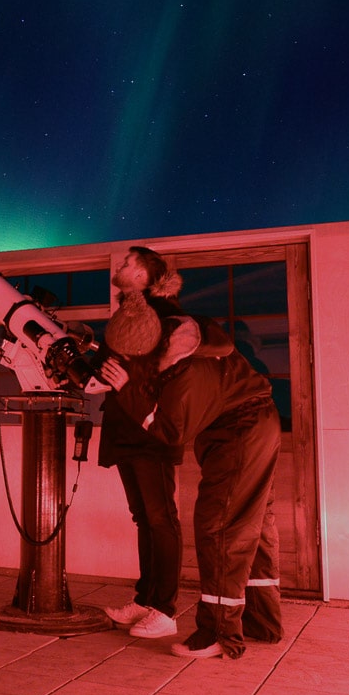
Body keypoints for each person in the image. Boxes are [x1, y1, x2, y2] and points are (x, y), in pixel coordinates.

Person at [99, 299, 283, 659]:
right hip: (253, 427)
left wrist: (127, 389)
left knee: (220, 528)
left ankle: (218, 634)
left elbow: (172, 431)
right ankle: (262, 622)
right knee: (254, 528)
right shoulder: (185, 345)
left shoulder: (187, 368)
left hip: (240, 434)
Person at [98, 247, 231, 640]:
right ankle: (145, 598)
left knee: (160, 518)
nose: (120, 267)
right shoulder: (128, 317)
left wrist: (128, 388)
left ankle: (165, 609)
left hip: (151, 429)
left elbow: (164, 379)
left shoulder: (166, 320)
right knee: (143, 517)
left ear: (143, 276)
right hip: (125, 425)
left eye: (127, 264)